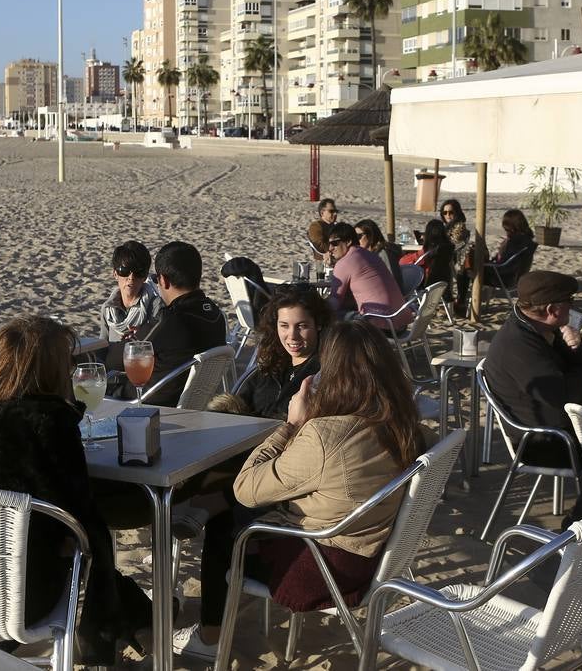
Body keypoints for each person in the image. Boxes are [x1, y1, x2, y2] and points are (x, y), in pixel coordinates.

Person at [172, 321, 425, 660]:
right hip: (372, 551)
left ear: (333, 372)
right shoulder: (401, 421)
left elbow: (246, 488)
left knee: (223, 528)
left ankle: (209, 637)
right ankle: (205, 509)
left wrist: (291, 425)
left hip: (322, 571)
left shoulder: (326, 434)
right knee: (250, 512)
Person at [0, 316, 152, 663]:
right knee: (81, 545)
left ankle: (141, 614)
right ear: (51, 369)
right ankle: (129, 626)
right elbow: (78, 517)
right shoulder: (47, 422)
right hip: (18, 599)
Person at [482, 271, 582, 467]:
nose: (572, 306)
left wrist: (576, 347)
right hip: (548, 443)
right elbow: (565, 396)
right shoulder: (519, 344)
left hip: (568, 432)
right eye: (570, 301)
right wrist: (580, 369)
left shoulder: (540, 330)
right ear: (552, 310)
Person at [108, 241, 227, 406]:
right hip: (193, 404)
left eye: (156, 279)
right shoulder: (216, 316)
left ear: (163, 280)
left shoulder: (171, 320)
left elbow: (116, 357)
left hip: (150, 402)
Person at [232, 286, 333, 420]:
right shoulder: (271, 364)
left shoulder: (325, 374)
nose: (292, 336)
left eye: (302, 326)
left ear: (318, 324)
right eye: (284, 325)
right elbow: (236, 406)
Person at [324, 222, 413, 330]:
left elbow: (334, 303)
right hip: (401, 324)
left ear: (348, 242)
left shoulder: (345, 262)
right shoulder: (369, 255)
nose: (330, 248)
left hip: (380, 327)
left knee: (326, 317)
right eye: (328, 244)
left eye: (335, 243)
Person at [99, 240, 162, 344]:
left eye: (138, 272)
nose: (131, 278)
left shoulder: (156, 307)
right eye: (124, 271)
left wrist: (142, 337)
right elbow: (101, 348)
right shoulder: (108, 310)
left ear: (145, 276)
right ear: (115, 274)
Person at [440, 199, 480, 316]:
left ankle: (449, 302)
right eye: (444, 212)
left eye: (451, 212)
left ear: (457, 212)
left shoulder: (459, 226)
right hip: (451, 259)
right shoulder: (447, 226)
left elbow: (453, 244)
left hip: (454, 260)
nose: (447, 215)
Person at [485, 208, 535, 286]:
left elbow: (504, 266)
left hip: (504, 278)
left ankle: (462, 297)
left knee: (467, 271)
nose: (505, 231)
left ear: (511, 227)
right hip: (516, 278)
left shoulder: (515, 242)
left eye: (506, 229)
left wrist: (486, 265)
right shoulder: (527, 240)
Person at [400, 218, 455, 289]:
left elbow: (402, 262)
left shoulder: (427, 253)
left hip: (425, 286)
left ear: (427, 235)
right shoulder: (448, 249)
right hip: (442, 286)